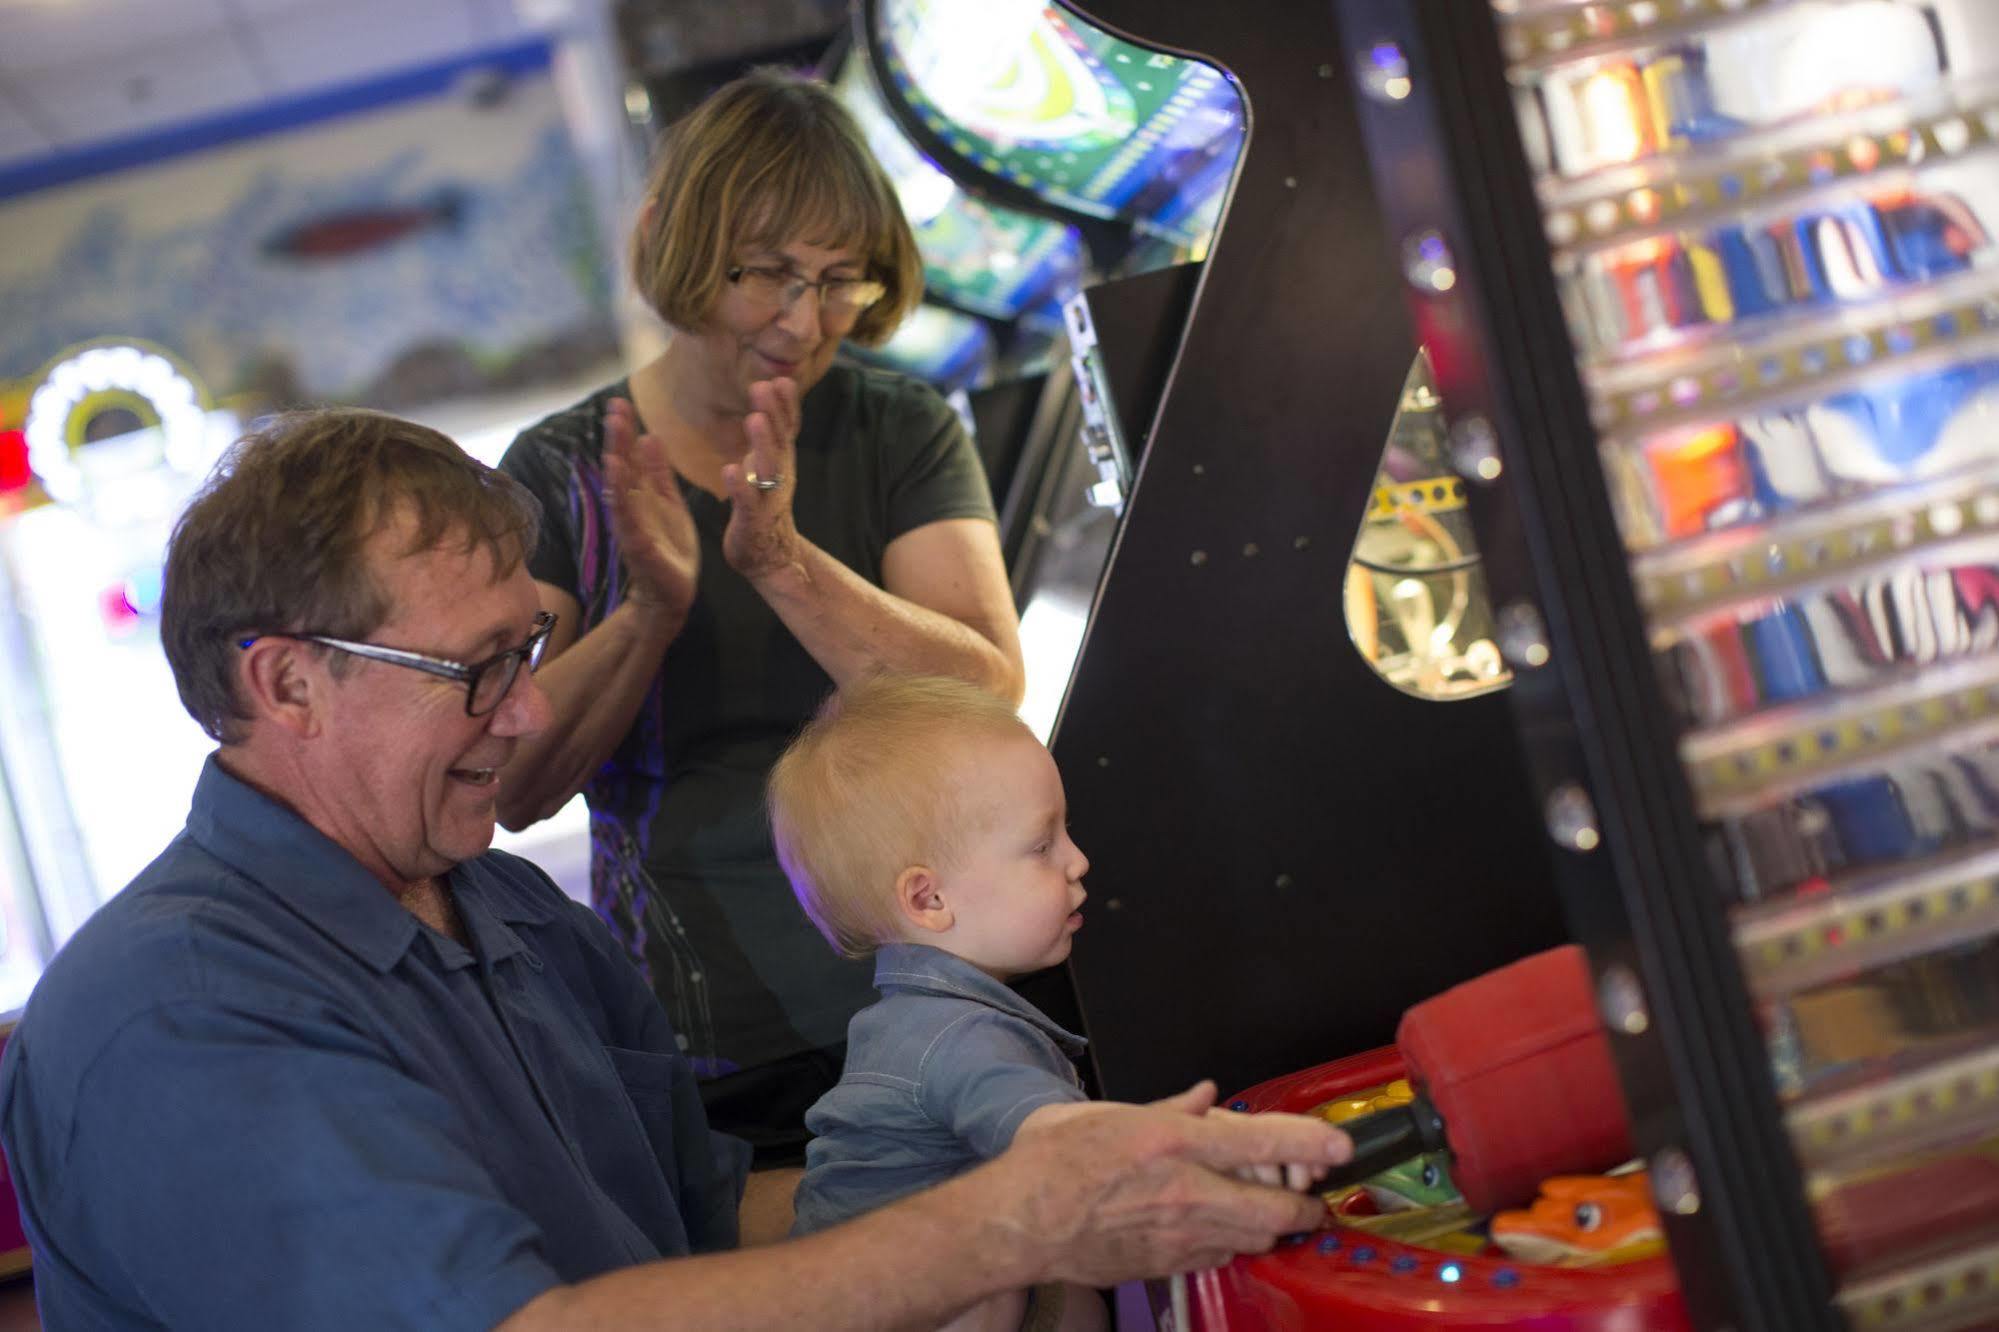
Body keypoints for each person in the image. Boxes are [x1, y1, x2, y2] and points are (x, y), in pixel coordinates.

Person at [0, 409, 1349, 1330]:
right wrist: (1016, 1221)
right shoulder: (177, 1012)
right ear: (288, 682)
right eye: (476, 672)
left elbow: (695, 1222)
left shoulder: (511, 912)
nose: (528, 717)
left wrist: (969, 1149)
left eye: (523, 653)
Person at [496, 68, 1023, 1166]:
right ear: (670, 242)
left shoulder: (898, 425)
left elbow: (985, 692)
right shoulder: (557, 471)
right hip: (715, 1036)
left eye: (840, 281)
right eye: (768, 274)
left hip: (942, 976)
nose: (803, 321)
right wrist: (651, 608)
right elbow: (512, 779)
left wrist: (780, 559)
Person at [771, 675, 1331, 1332]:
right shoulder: (957, 1036)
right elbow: (1070, 1154)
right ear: (928, 900)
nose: (1078, 861)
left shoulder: (905, 1020)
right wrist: (1236, 1149)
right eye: (1041, 846)